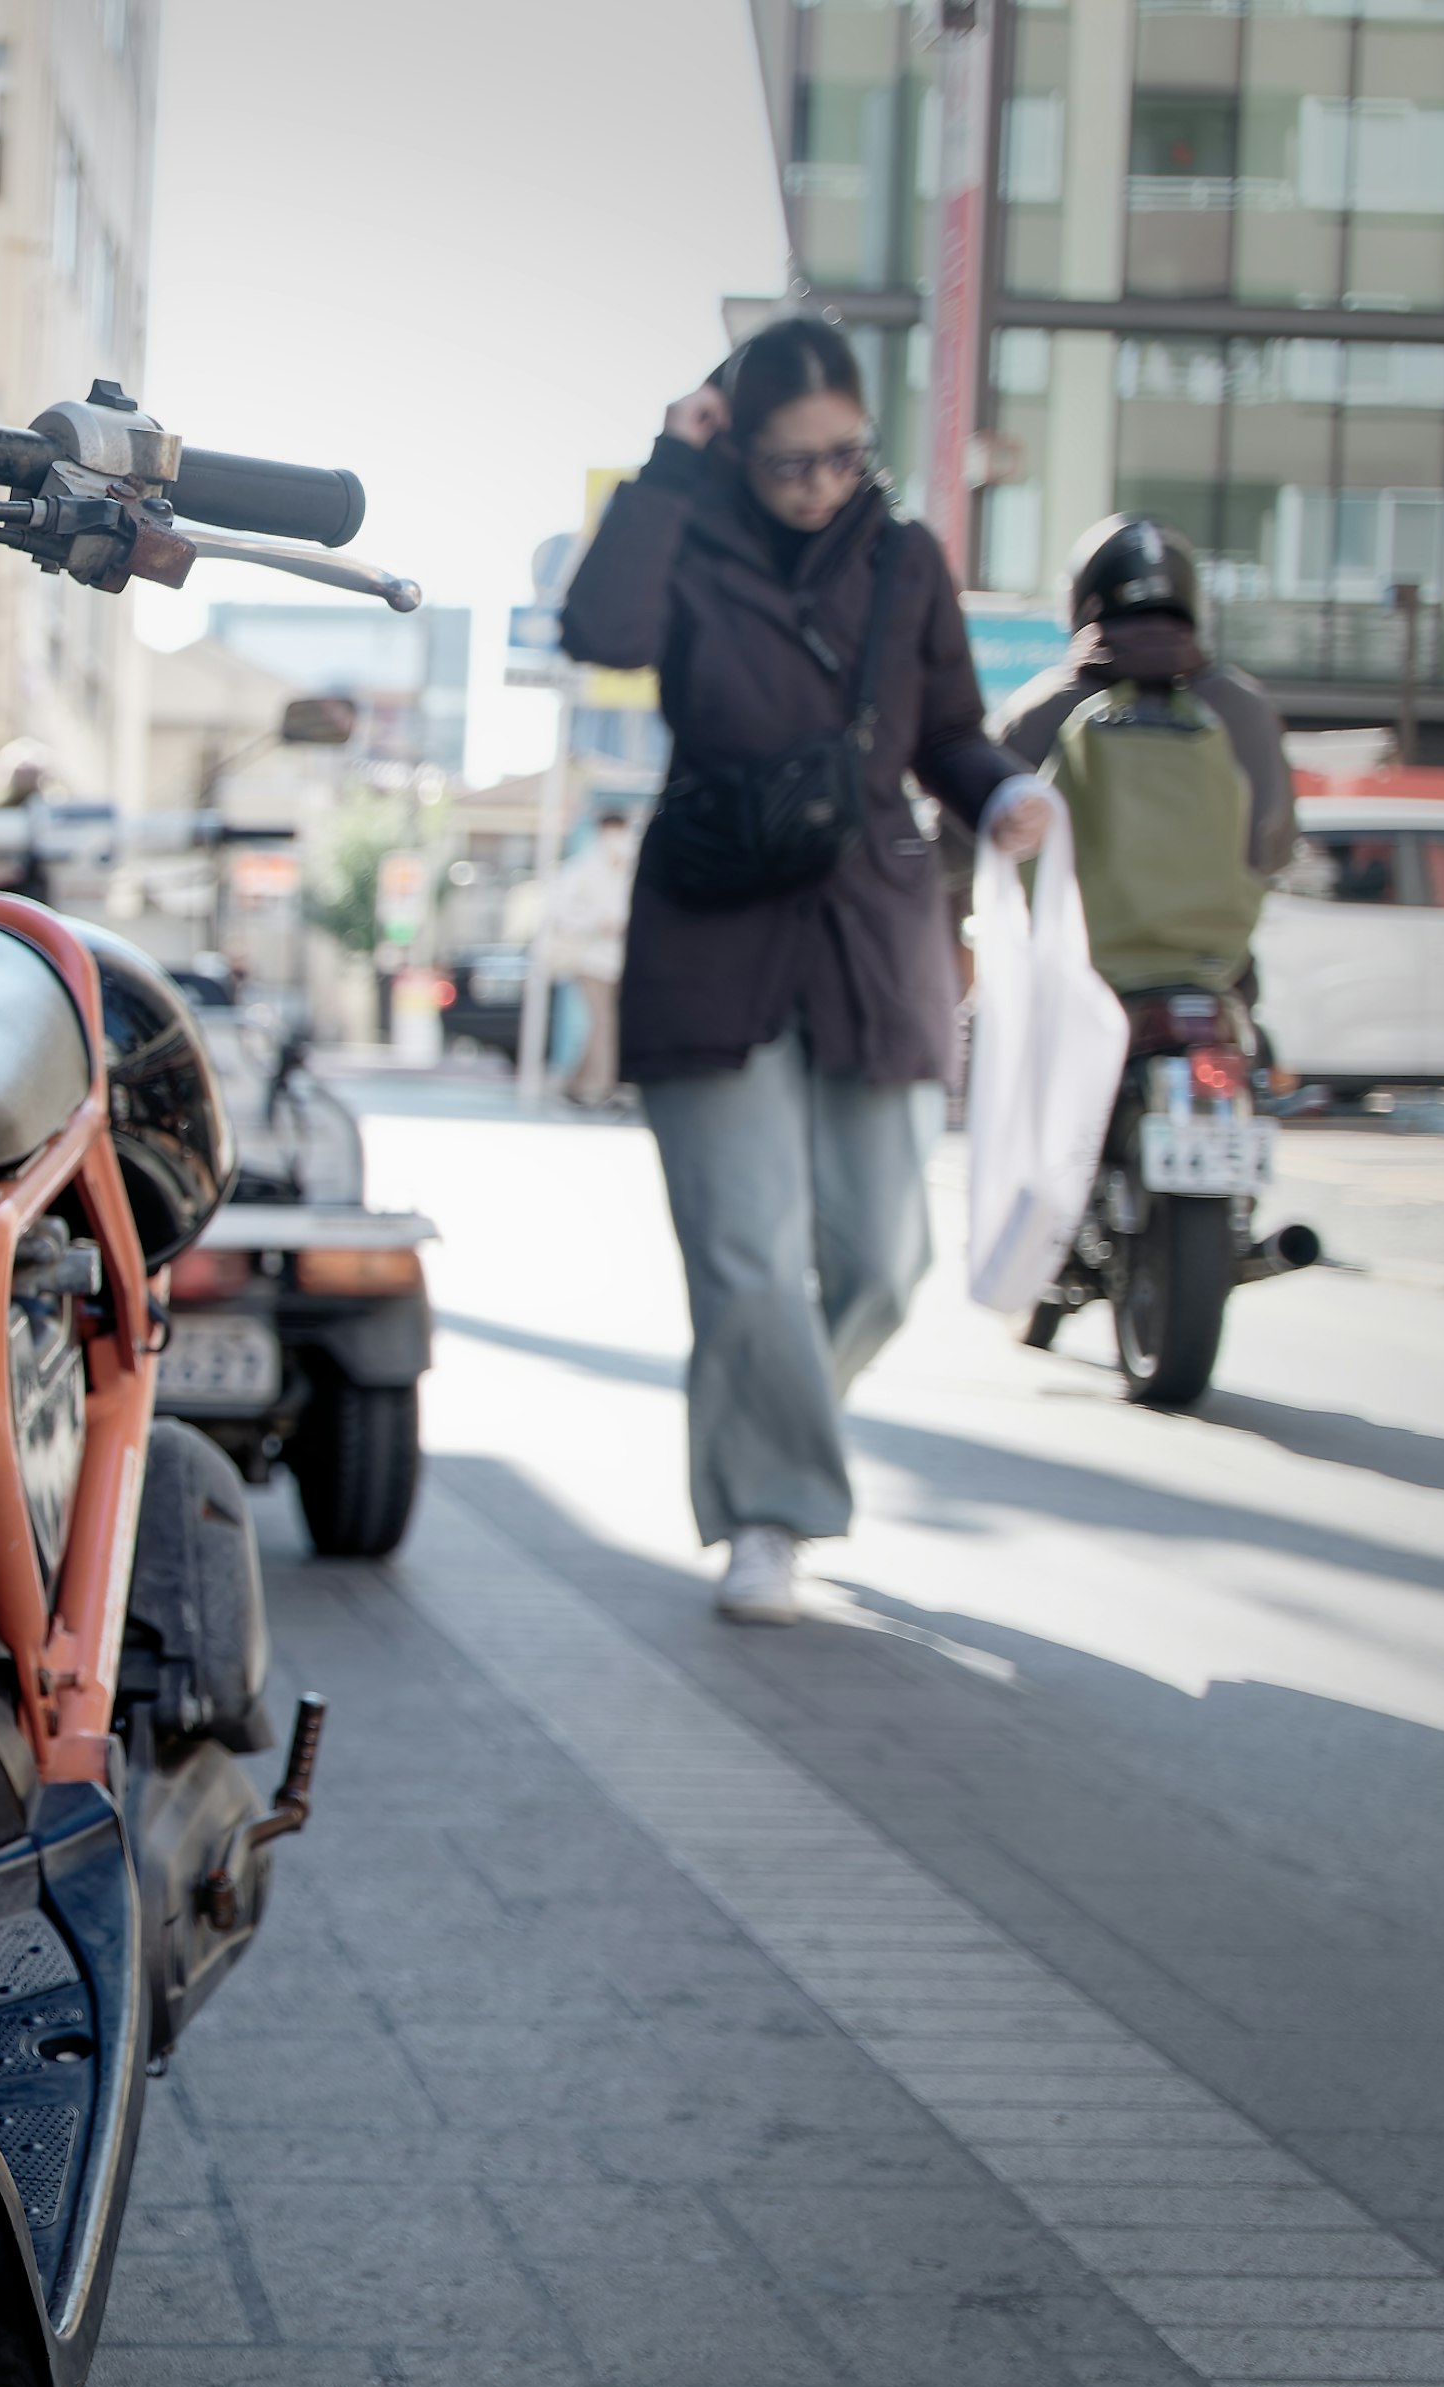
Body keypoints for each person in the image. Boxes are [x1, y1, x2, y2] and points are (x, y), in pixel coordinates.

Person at [558, 316, 1050, 1625]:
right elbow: (596, 625)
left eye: (843, 458)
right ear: (738, 441)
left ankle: (763, 1422)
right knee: (749, 1261)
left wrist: (1001, 794)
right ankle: (768, 1514)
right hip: (710, 917)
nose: (821, 484)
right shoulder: (689, 533)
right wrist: (670, 462)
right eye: (790, 463)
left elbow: (948, 730)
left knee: (887, 1259)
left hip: (868, 932)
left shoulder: (905, 559)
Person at [992, 516, 1299, 987]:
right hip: (1214, 974)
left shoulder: (1040, 709)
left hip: (1073, 979)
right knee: (1255, 1050)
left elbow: (974, 836)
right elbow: (1274, 849)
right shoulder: (1245, 708)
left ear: (1081, 599)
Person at [543, 809, 639, 1104]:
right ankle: (601, 1088)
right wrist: (598, 922)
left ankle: (576, 1083)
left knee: (609, 1023)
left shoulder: (629, 866)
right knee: (604, 1023)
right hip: (590, 958)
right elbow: (561, 911)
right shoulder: (583, 867)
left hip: (621, 960)